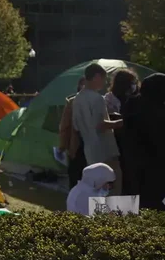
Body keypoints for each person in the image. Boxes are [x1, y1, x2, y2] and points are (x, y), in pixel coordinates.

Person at [72, 64, 123, 194]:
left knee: (96, 187)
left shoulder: (77, 98)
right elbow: (101, 125)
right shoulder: (97, 98)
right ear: (96, 77)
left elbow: (76, 126)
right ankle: (115, 213)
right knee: (114, 185)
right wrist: (120, 122)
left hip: (89, 150)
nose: (104, 82)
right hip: (105, 149)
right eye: (103, 78)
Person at [121, 73, 165, 210]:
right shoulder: (158, 109)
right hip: (154, 166)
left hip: (130, 162)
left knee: (132, 204)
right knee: (153, 203)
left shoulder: (131, 103)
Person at [59, 77, 87, 188]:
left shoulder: (99, 100)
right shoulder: (72, 102)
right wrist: (63, 145)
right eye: (83, 84)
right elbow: (65, 126)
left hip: (91, 145)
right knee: (75, 174)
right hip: (76, 144)